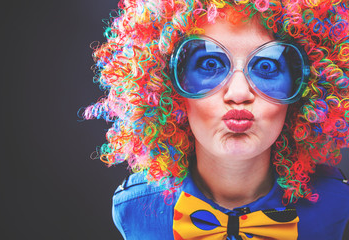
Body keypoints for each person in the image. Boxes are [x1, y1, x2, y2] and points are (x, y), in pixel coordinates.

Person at [84, 0, 349, 239]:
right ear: (167, 86)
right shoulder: (134, 208)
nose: (238, 93)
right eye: (209, 64)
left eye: (267, 66)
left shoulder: (336, 204)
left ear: (305, 88)